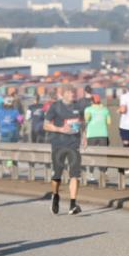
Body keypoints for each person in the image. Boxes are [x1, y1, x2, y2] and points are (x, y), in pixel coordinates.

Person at [43, 85, 85, 215]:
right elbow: (45, 125)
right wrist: (60, 129)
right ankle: (55, 195)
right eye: (71, 93)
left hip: (74, 144)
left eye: (74, 93)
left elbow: (82, 122)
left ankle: (73, 204)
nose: (73, 95)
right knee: (57, 175)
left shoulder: (78, 106)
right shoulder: (55, 106)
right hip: (58, 144)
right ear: (64, 94)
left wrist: (84, 136)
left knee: (75, 174)